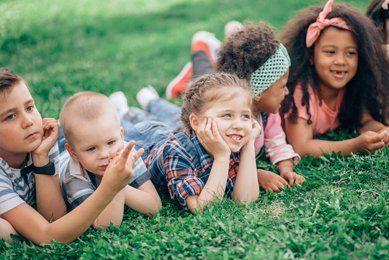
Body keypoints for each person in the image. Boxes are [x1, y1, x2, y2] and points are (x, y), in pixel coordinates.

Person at [162, 23, 305, 192]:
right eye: (282, 86)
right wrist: (258, 175)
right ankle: (201, 47)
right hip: (189, 115)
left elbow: (277, 143)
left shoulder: (268, 115)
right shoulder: (223, 121)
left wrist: (286, 169)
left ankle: (219, 44)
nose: (287, 91)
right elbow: (213, 163)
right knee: (172, 114)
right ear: (258, 90)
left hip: (219, 87)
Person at [0, 68, 137, 244]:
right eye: (10, 116)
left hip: (87, 140)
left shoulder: (43, 139)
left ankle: (127, 111)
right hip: (81, 147)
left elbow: (54, 218)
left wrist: (41, 159)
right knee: (7, 232)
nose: (28, 121)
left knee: (140, 131)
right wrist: (109, 188)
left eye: (29, 107)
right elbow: (47, 236)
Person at [124, 73, 260, 213]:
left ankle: (141, 107)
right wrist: (222, 156)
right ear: (196, 122)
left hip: (171, 132)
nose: (239, 125)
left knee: (169, 119)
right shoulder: (177, 152)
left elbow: (245, 200)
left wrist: (249, 144)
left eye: (245, 116)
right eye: (227, 115)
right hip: (144, 141)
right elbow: (202, 208)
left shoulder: (232, 141)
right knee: (120, 129)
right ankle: (123, 112)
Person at [280, 0, 389, 157]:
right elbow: (301, 146)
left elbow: (364, 121)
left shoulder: (350, 87)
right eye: (330, 52)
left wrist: (382, 131)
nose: (340, 61)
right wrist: (355, 145)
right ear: (311, 56)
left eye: (350, 53)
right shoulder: (301, 91)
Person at [58, 92, 161, 229]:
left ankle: (125, 111)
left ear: (121, 135)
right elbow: (103, 225)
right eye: (91, 149)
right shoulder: (74, 176)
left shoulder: (126, 153)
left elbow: (155, 206)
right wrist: (115, 184)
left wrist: (121, 185)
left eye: (111, 142)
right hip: (61, 156)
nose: (105, 154)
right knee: (60, 137)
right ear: (74, 153)